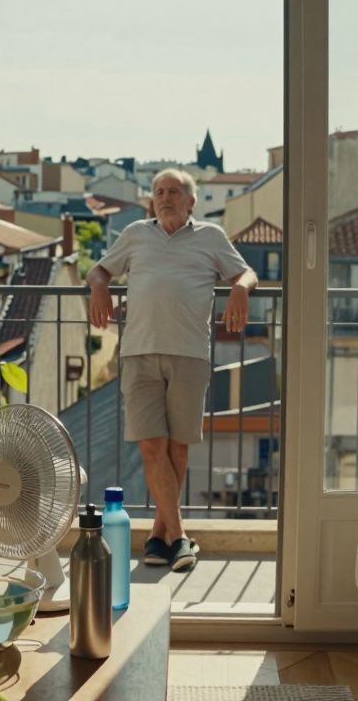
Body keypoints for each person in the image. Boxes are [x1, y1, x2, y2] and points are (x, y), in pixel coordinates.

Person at [87, 168, 257, 572]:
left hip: (189, 353)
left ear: (191, 201)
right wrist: (98, 286)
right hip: (140, 353)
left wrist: (239, 289)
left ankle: (158, 537)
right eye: (159, 192)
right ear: (152, 199)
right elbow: (100, 269)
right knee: (151, 445)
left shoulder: (211, 237)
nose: (165, 198)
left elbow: (246, 272)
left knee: (178, 448)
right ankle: (179, 537)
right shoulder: (135, 234)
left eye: (174, 192)